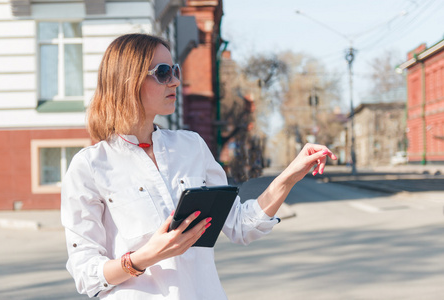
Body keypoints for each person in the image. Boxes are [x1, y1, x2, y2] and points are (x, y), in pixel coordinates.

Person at [61, 33, 337, 299]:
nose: (175, 82)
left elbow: (241, 225)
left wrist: (290, 174)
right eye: (163, 72)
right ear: (127, 80)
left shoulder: (191, 146)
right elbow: (86, 274)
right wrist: (145, 257)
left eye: (175, 71)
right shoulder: (90, 166)